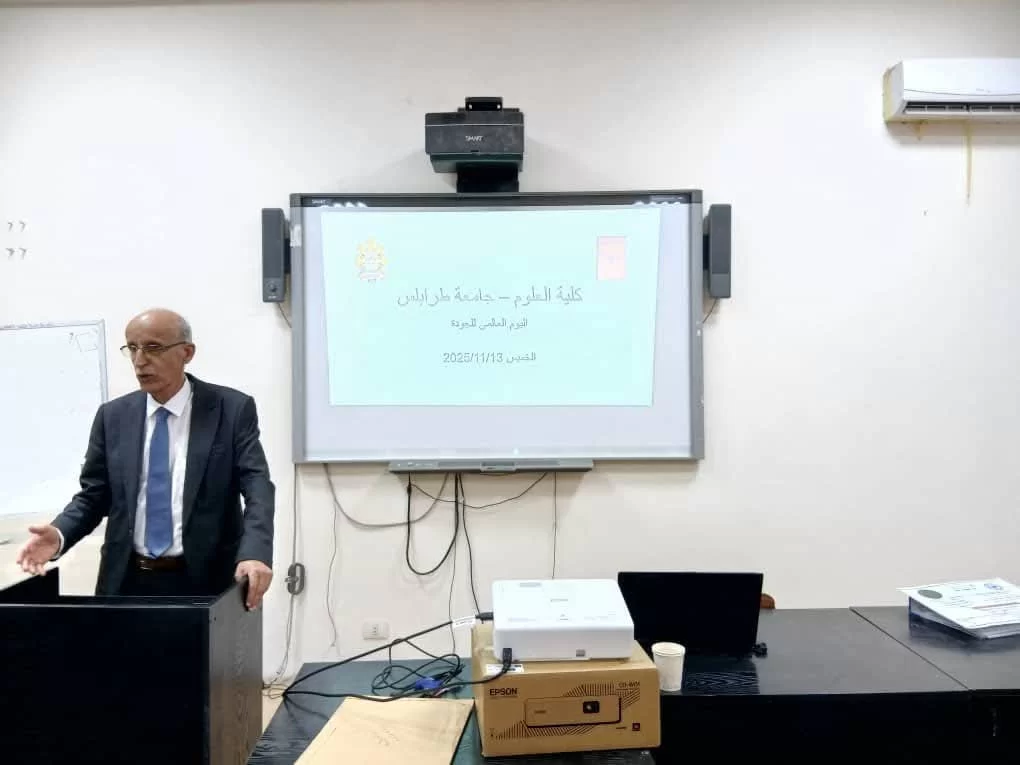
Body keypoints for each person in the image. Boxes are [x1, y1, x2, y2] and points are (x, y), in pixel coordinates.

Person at [16, 308, 274, 609]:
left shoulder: (230, 409)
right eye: (132, 348)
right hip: (127, 580)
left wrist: (255, 552)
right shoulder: (113, 417)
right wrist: (60, 533)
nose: (140, 360)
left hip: (206, 582)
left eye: (153, 347)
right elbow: (93, 496)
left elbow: (257, 486)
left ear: (187, 353)